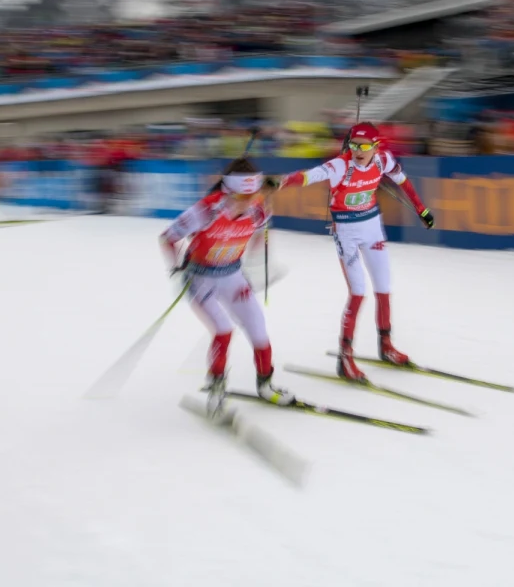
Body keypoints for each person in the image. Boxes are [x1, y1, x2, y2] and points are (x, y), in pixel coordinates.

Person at [269, 122, 434, 381]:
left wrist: (422, 210)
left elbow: (404, 182)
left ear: (376, 146)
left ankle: (386, 346)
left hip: (373, 228)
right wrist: (281, 182)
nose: (358, 150)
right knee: (358, 293)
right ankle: (345, 358)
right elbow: (308, 176)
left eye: (365, 146)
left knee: (383, 287)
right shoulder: (340, 166)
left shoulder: (383, 160)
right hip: (347, 233)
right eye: (354, 145)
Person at [160, 157, 295, 414]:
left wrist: (259, 264)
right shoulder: (205, 211)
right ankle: (217, 388)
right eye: (244, 197)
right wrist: (176, 266)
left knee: (258, 329)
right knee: (223, 330)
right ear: (229, 191)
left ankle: (266, 384)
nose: (250, 201)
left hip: (233, 276)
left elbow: (258, 235)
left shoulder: (258, 210)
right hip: (200, 280)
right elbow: (167, 238)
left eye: (254, 195)